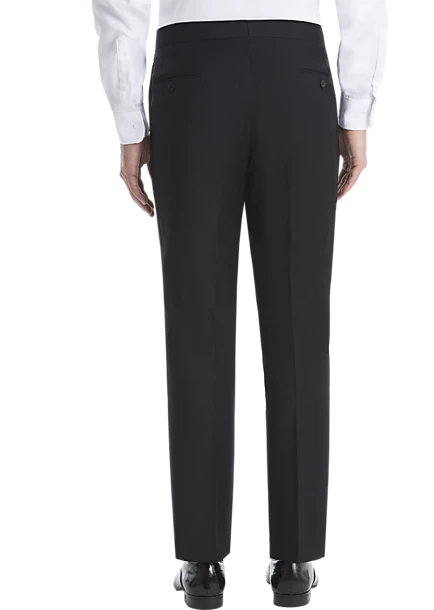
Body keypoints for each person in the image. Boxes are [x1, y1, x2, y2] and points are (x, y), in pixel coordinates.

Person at [92, 1, 386, 607]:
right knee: (302, 323)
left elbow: (122, 5)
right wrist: (357, 108)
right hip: (295, 74)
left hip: (192, 76)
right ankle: (296, 561)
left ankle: (200, 563)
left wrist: (128, 120)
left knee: (197, 323)